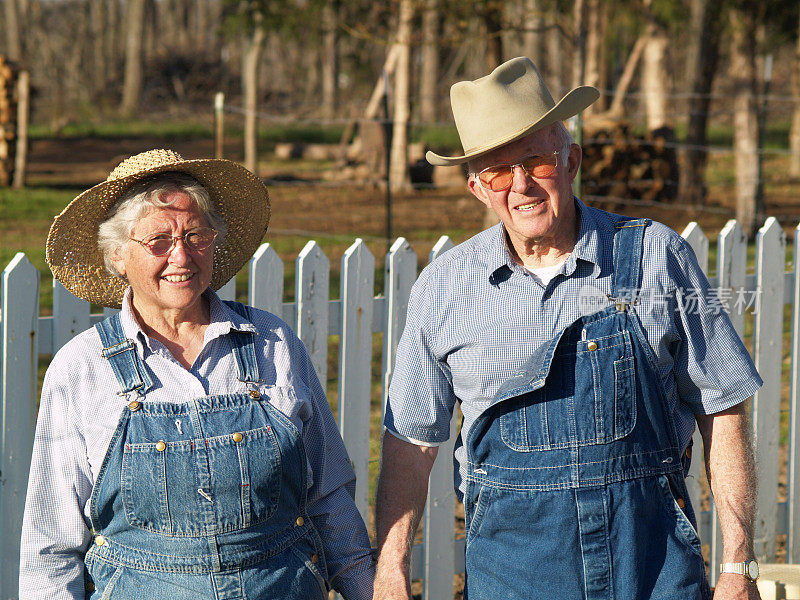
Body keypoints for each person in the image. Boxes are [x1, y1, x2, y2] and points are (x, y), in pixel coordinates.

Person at [374, 57, 762, 600]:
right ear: (476, 188)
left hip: (651, 573)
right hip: (515, 578)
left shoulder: (656, 256)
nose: (521, 185)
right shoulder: (444, 287)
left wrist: (737, 566)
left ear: (572, 159)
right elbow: (410, 442)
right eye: (497, 171)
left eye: (536, 159)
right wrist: (390, 570)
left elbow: (723, 408)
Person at [21, 149, 374, 599]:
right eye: (158, 242)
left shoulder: (272, 342)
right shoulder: (82, 368)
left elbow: (331, 498)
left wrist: (367, 589)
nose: (181, 256)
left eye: (195, 234)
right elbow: (50, 550)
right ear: (117, 256)